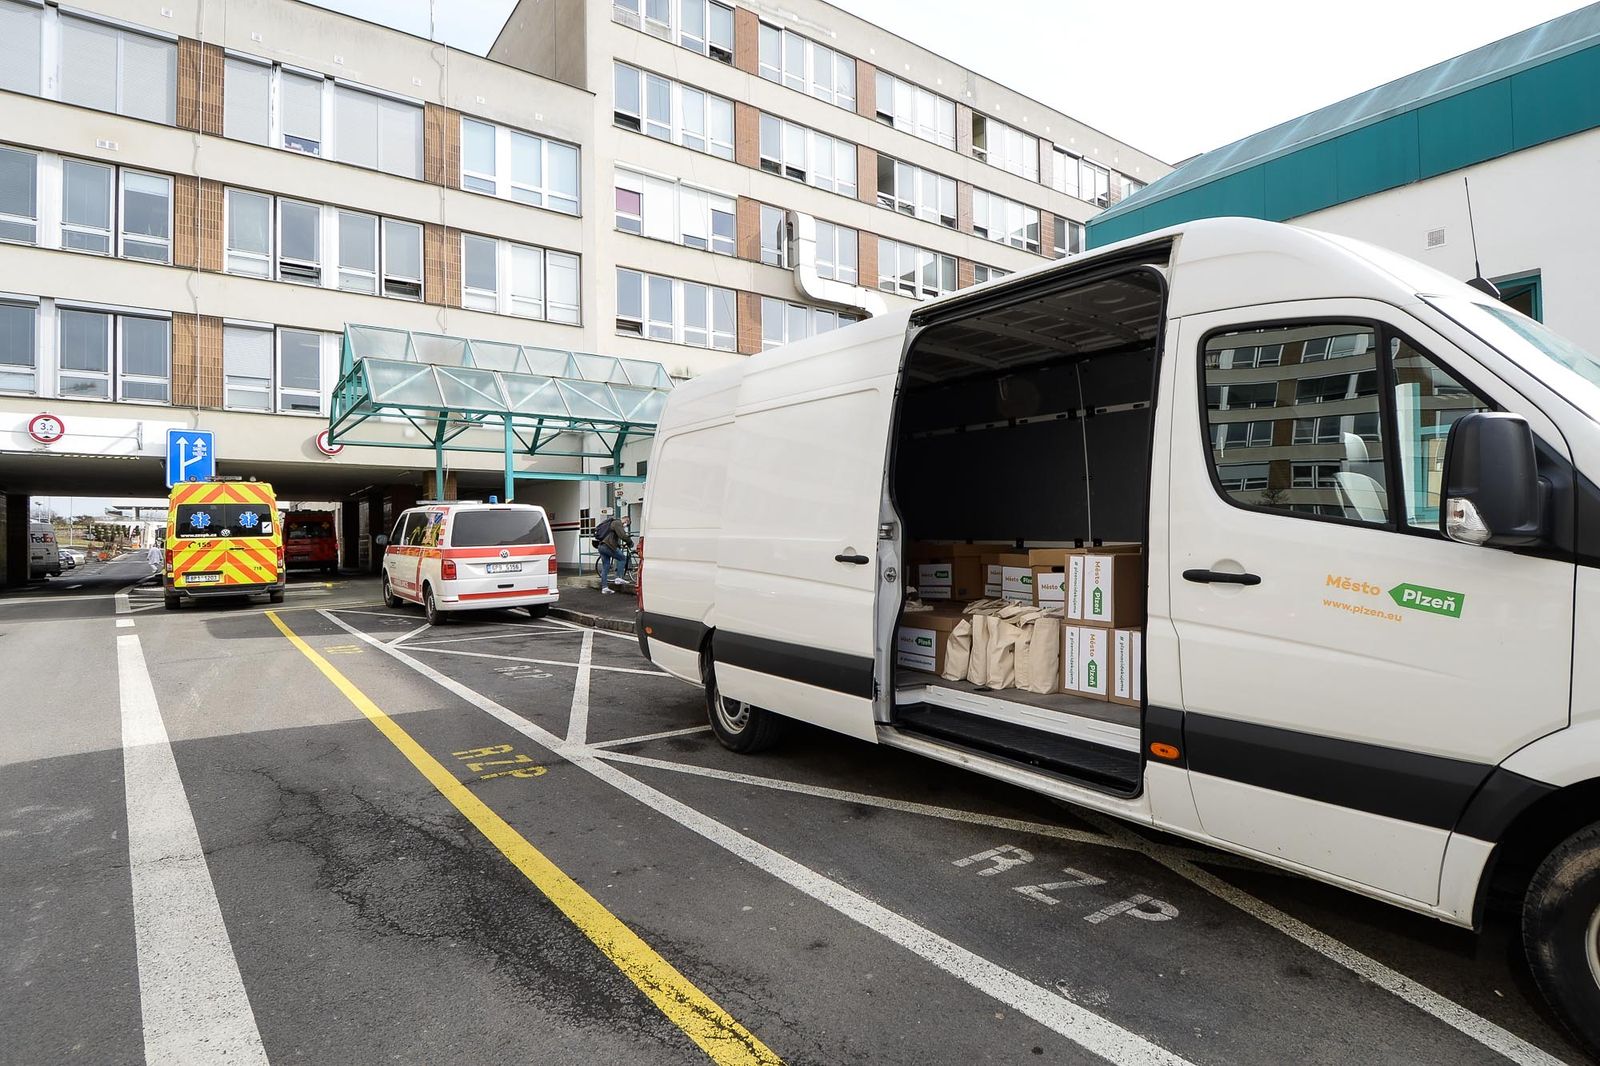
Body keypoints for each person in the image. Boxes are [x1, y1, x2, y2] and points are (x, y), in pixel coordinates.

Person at [594, 514, 634, 594]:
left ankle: (604, 588)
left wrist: (618, 545)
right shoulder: (617, 523)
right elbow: (622, 535)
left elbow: (611, 537)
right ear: (626, 521)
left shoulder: (612, 523)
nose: (625, 526)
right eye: (627, 525)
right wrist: (630, 542)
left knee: (606, 567)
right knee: (622, 558)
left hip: (601, 546)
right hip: (608, 546)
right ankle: (618, 578)